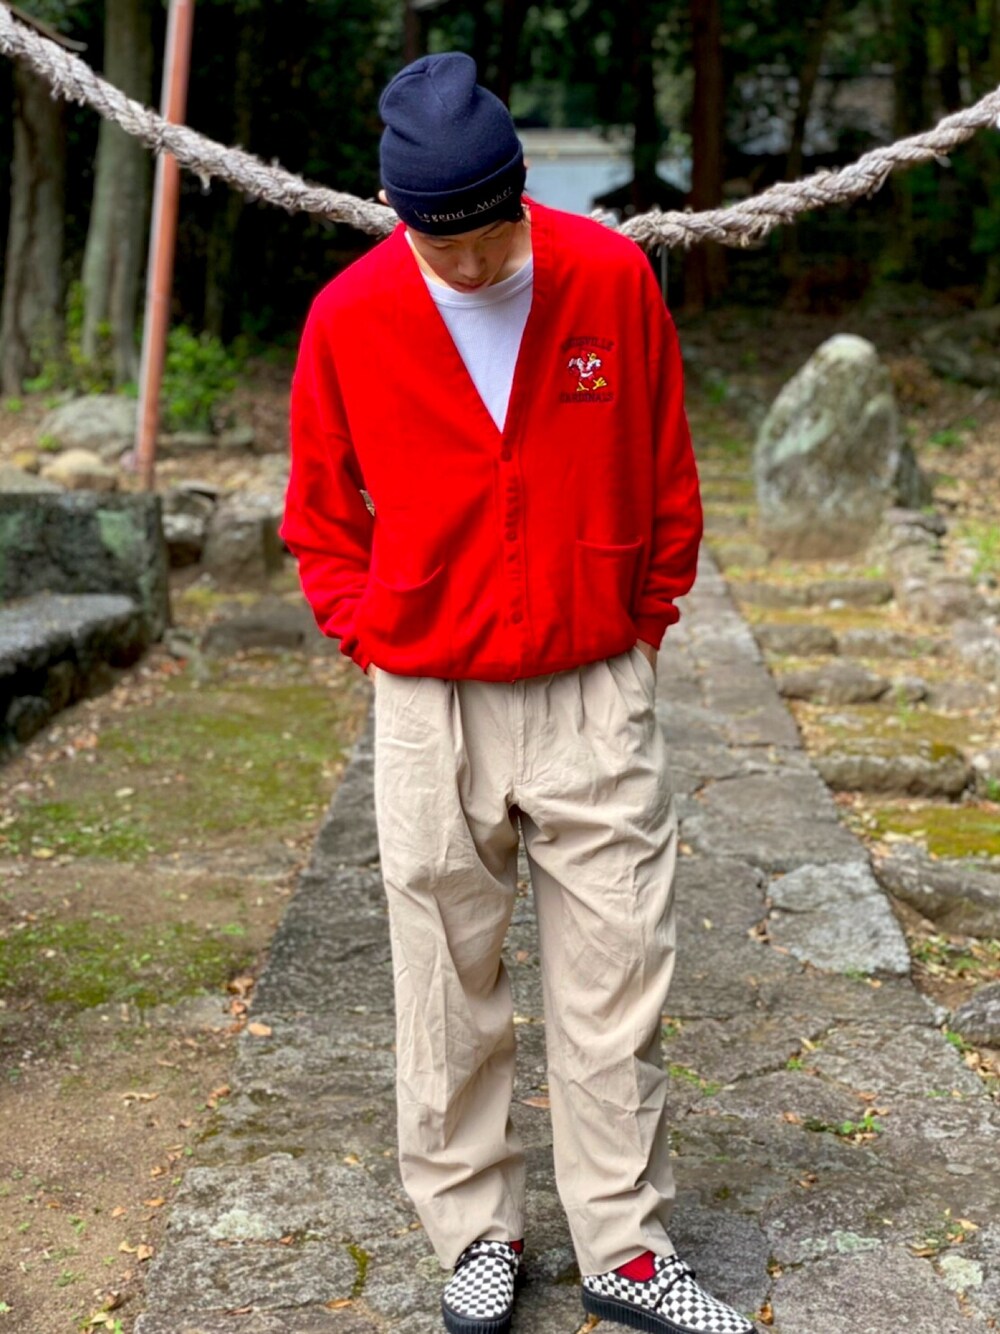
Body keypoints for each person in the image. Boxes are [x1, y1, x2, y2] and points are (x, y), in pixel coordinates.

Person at [281, 50, 756, 1334]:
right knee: (445, 981)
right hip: (429, 697)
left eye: (493, 236)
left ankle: (627, 1247)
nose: (476, 265)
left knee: (619, 969)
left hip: (593, 685)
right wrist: (371, 634)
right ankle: (476, 1230)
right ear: (399, 217)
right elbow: (319, 514)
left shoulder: (607, 276)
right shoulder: (351, 316)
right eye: (446, 246)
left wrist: (640, 630)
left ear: (522, 193)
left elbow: (665, 469)